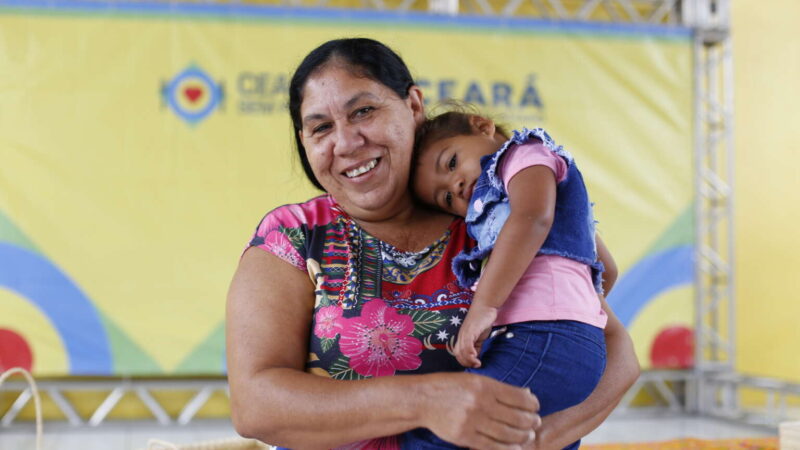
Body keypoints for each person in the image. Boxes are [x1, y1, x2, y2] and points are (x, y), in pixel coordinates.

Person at [226, 37, 640, 450]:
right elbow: (256, 405)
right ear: (305, 143)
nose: (347, 143)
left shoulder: (489, 217)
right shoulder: (295, 235)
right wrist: (425, 403)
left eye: (364, 111)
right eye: (321, 128)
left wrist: (535, 441)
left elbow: (615, 351)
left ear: (413, 105)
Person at [405, 110, 613, 449]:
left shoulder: (523, 153)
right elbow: (608, 268)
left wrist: (484, 307)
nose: (455, 185)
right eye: (445, 198)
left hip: (542, 337)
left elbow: (532, 218)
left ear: (483, 126)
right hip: (562, 341)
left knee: (439, 434)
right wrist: (582, 313)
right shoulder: (496, 208)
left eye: (452, 162)